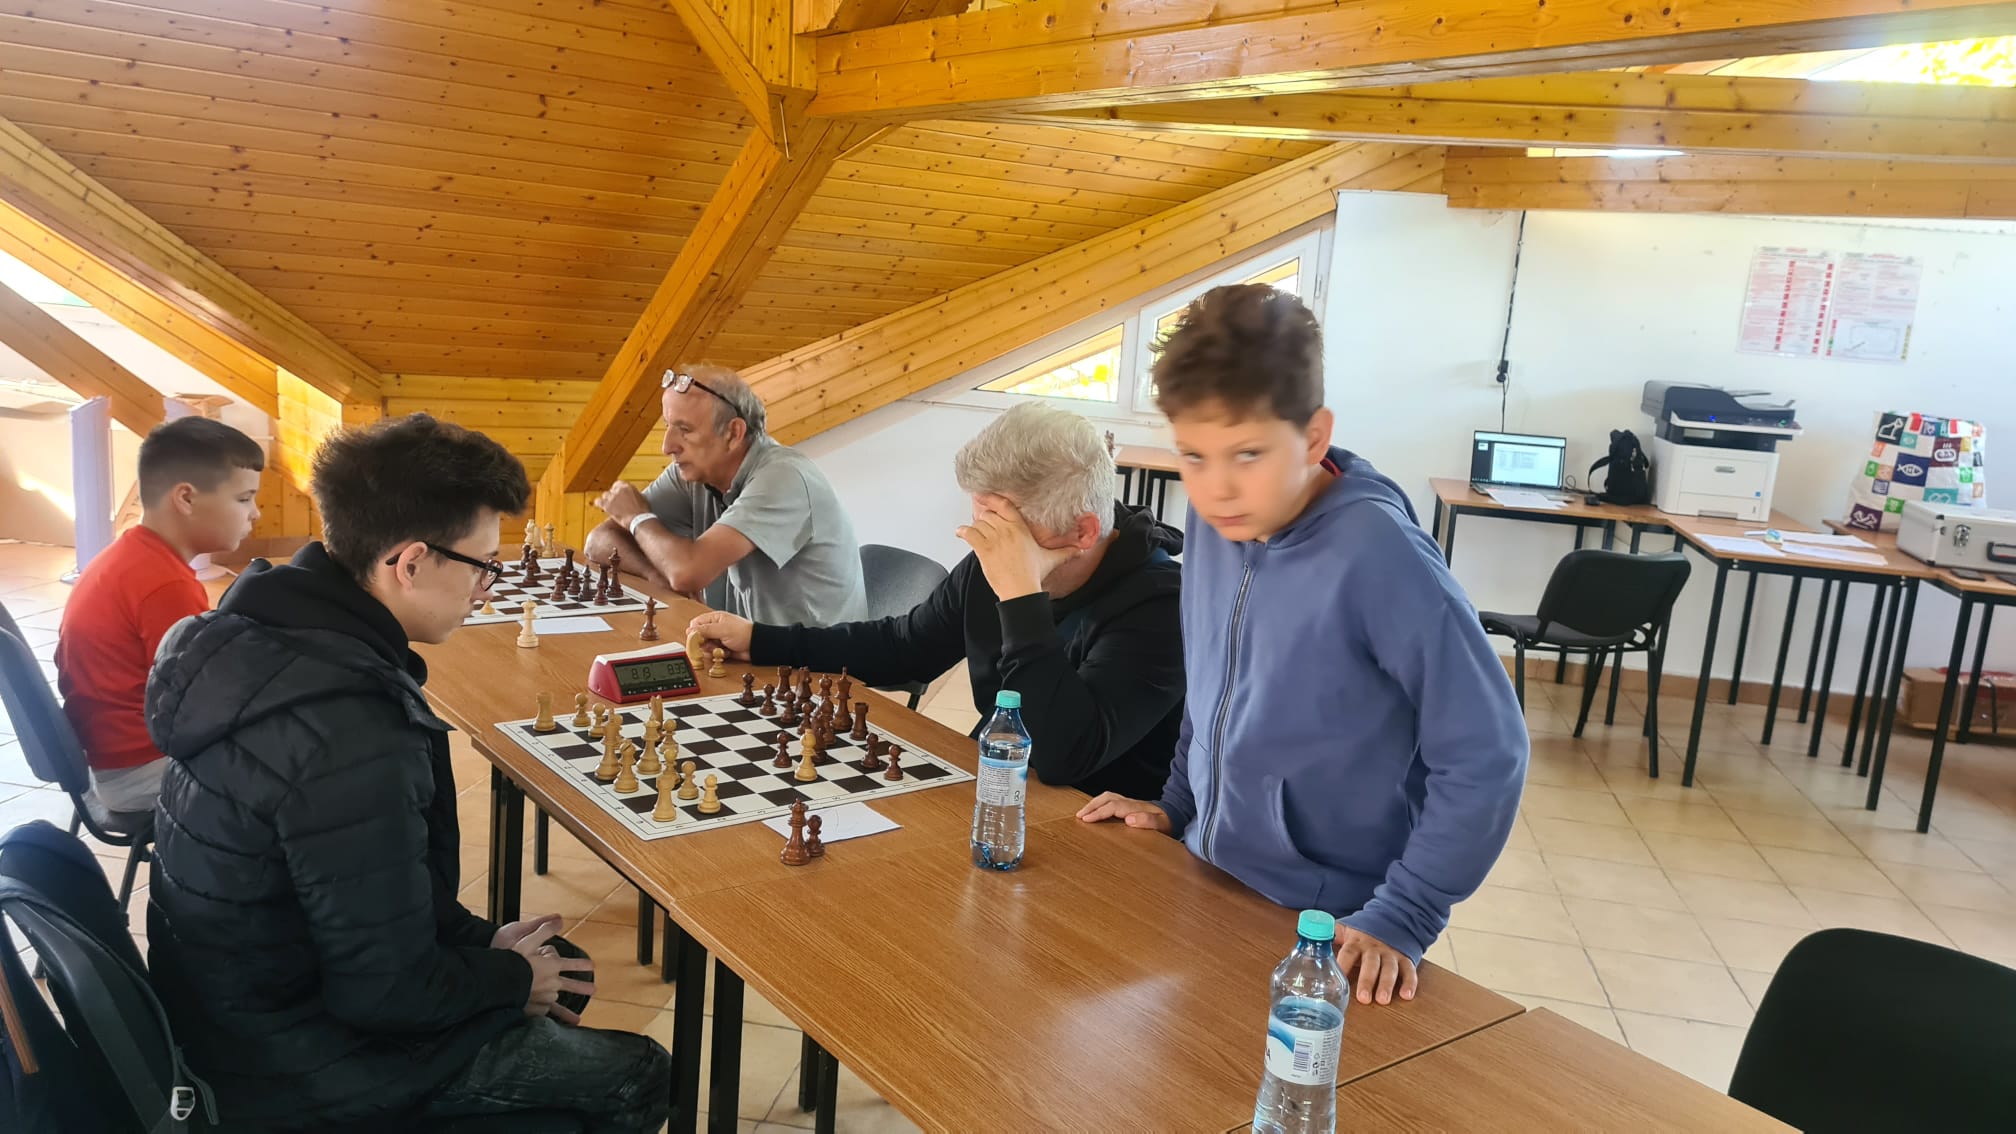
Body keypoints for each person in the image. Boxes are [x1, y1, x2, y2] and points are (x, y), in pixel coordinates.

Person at [143, 414, 670, 1133]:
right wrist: (510, 978)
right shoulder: (348, 727)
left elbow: (355, 893)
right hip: (290, 1066)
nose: (487, 589)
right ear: (411, 562)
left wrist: (482, 946)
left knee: (561, 967)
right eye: (482, 565)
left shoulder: (261, 639)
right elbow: (383, 993)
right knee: (639, 1071)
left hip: (234, 1012)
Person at [1078, 284, 1528, 1008]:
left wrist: (1406, 913)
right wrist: (1178, 805)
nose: (1218, 489)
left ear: (1315, 438)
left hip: (1332, 925)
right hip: (1209, 877)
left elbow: (1488, 751)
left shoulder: (1381, 554)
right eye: (1193, 456)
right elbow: (1213, 683)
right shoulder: (1215, 523)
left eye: (1247, 454)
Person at [689, 403, 1185, 799]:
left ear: (1083, 532)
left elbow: (1061, 757)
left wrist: (1020, 596)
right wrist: (762, 640)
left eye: (1002, 524)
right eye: (980, 513)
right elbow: (905, 647)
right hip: (997, 788)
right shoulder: (992, 559)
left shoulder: (1162, 606)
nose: (983, 536)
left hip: (1103, 834)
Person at [54, 416, 263, 813]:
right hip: (141, 769)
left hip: (114, 758)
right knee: (305, 771)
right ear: (186, 498)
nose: (255, 514)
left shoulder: (129, 557)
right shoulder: (165, 585)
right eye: (243, 499)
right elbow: (208, 700)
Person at [586, 363, 867, 626]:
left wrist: (636, 518)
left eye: (685, 430)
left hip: (815, 660)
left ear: (733, 433)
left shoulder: (784, 478)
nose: (667, 446)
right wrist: (655, 575)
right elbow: (599, 541)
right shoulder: (696, 472)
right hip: (744, 649)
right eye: (667, 426)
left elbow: (687, 573)